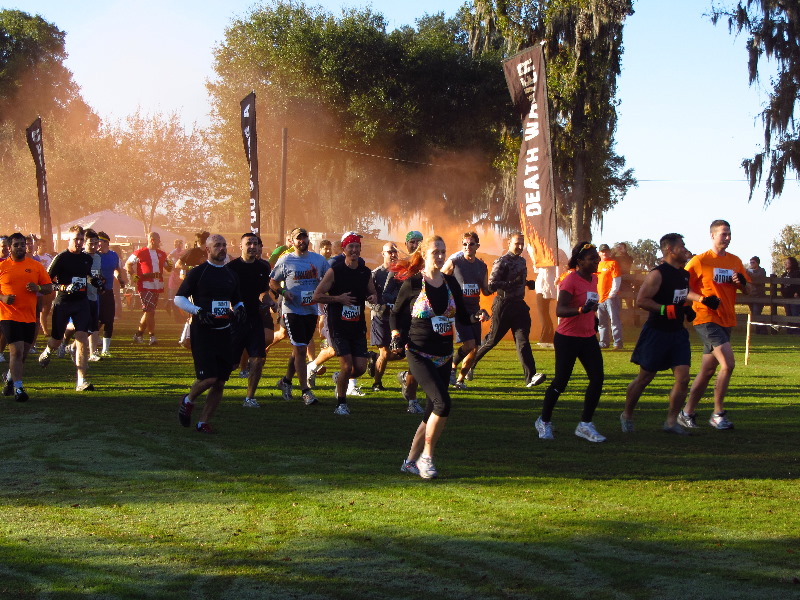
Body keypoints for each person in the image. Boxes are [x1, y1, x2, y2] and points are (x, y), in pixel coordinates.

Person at [391, 235, 488, 479]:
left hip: (444, 356)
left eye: (444, 251)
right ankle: (427, 458)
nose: (442, 256)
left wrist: (477, 316)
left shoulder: (450, 282)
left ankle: (409, 462)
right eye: (436, 252)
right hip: (419, 353)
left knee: (431, 411)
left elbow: (463, 316)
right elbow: (396, 314)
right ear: (424, 254)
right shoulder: (414, 283)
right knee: (443, 404)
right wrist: (396, 335)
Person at [620, 234, 712, 434]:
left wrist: (687, 309)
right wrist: (665, 309)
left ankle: (671, 422)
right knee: (645, 378)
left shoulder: (684, 274)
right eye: (681, 246)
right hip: (657, 332)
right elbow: (642, 300)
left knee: (683, 378)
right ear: (670, 249)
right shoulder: (657, 274)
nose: (685, 249)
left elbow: (680, 297)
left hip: (677, 333)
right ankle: (627, 414)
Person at [679, 219, 751, 430]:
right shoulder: (700, 261)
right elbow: (682, 288)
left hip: (726, 319)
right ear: (712, 235)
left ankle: (686, 413)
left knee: (708, 370)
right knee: (728, 364)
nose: (727, 237)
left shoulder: (735, 261)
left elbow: (749, 290)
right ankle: (718, 414)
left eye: (729, 234)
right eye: (723, 234)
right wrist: (702, 299)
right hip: (706, 318)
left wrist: (742, 283)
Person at [534, 242, 605, 442]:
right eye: (592, 259)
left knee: (597, 379)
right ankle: (544, 421)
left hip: (588, 337)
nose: (596, 261)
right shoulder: (570, 280)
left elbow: (590, 304)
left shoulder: (594, 279)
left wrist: (593, 317)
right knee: (561, 382)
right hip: (568, 338)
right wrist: (581, 310)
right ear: (580, 261)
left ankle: (585, 424)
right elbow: (560, 310)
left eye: (597, 258)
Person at [174, 234, 245, 433]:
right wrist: (198, 311)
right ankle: (188, 400)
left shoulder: (231, 274)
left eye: (224, 245)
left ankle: (203, 422)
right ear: (207, 249)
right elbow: (179, 298)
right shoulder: (198, 272)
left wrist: (240, 309)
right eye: (217, 245)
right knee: (209, 378)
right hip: (203, 332)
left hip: (224, 332)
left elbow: (237, 299)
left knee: (220, 381)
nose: (222, 248)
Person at [469, 232, 546, 387]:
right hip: (503, 305)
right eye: (517, 243)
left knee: (523, 341)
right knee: (492, 340)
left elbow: (519, 280)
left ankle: (530, 377)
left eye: (522, 243)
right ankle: (469, 364)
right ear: (509, 243)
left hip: (519, 305)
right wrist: (512, 283)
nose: (520, 246)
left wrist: (527, 283)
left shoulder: (522, 261)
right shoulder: (502, 261)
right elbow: (492, 285)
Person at [313, 232, 377, 414]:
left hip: (357, 325)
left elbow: (372, 292)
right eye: (351, 246)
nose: (354, 250)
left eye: (357, 246)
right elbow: (317, 296)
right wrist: (338, 298)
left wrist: (372, 297)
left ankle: (339, 378)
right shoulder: (335, 271)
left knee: (360, 368)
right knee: (347, 366)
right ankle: (341, 404)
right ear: (344, 249)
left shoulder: (365, 272)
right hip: (338, 325)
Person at [269, 227, 330, 406]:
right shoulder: (286, 259)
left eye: (304, 238)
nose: (301, 241)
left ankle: (286, 381)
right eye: (298, 238)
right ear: (292, 241)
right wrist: (283, 292)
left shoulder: (318, 260)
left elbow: (329, 277)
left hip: (311, 310)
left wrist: (323, 289)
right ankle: (305, 391)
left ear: (308, 240)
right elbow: (272, 281)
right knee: (301, 350)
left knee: (299, 349)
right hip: (292, 310)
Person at [38, 225, 98, 391]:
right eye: (76, 239)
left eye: (81, 240)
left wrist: (94, 281)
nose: (79, 242)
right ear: (69, 240)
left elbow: (87, 275)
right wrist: (64, 287)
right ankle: (48, 350)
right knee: (56, 340)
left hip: (81, 302)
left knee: (82, 338)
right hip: (63, 302)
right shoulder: (61, 258)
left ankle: (81, 381)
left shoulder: (87, 259)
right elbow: (47, 283)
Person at [0, 233, 53, 401]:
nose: (20, 247)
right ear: (9, 248)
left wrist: (38, 288)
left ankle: (9, 379)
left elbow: (49, 286)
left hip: (29, 316)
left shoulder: (35, 266)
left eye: (22, 244)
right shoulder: (2, 266)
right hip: (8, 315)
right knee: (16, 351)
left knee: (23, 354)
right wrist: (3, 298)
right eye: (16, 245)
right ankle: (19, 389)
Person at [226, 233, 273, 408]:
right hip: (235, 320)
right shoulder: (231, 267)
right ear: (241, 246)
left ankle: (250, 398)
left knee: (258, 359)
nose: (252, 246)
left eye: (255, 243)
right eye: (248, 243)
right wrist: (231, 306)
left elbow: (263, 293)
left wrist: (272, 303)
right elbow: (224, 292)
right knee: (230, 364)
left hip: (254, 318)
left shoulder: (263, 266)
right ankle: (211, 387)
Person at [442, 231, 491, 389]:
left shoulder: (482, 266)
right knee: (469, 344)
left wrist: (500, 284)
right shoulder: (455, 262)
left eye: (471, 244)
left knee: (474, 349)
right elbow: (439, 279)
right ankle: (452, 367)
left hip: (474, 311)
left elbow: (486, 290)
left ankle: (460, 380)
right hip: (459, 311)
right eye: (465, 244)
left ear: (477, 246)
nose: (467, 247)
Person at [125, 231, 172, 345]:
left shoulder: (161, 253)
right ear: (152, 240)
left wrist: (171, 263)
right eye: (158, 240)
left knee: (149, 311)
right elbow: (128, 264)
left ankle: (138, 335)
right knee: (150, 311)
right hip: (145, 285)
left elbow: (169, 268)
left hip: (157, 285)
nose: (160, 242)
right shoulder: (140, 252)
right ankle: (152, 336)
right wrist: (134, 276)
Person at [369, 241, 403, 391]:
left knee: (401, 352)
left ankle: (374, 358)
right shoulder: (376, 274)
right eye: (390, 252)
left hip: (396, 318)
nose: (393, 254)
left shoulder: (402, 272)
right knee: (385, 352)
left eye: (395, 252)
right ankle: (377, 384)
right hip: (380, 318)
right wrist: (377, 307)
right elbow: (367, 296)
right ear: (383, 254)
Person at [96, 232, 127, 357]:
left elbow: (117, 269)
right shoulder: (94, 256)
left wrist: (120, 279)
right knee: (96, 321)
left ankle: (105, 349)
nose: (96, 244)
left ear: (105, 242)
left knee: (109, 320)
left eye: (99, 241)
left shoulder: (113, 255)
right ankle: (75, 344)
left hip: (108, 291)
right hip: (95, 292)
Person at [596, 243, 624, 349]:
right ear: (599, 253)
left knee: (614, 320)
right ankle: (603, 342)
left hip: (611, 298)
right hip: (599, 297)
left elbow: (617, 279)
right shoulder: (597, 265)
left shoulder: (613, 263)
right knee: (601, 322)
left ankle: (617, 343)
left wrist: (612, 294)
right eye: (603, 251)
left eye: (607, 251)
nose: (605, 253)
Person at [746, 256, 768, 334]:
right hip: (751, 296)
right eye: (750, 262)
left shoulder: (761, 271)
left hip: (759, 296)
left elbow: (757, 278)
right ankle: (759, 330)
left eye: (753, 262)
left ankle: (762, 330)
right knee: (754, 314)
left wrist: (747, 273)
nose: (751, 264)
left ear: (757, 263)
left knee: (757, 313)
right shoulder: (748, 271)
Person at [780, 256, 800, 333]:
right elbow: (782, 285)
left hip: (794, 297)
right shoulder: (784, 274)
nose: (786, 264)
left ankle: (796, 330)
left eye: (788, 262)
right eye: (785, 262)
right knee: (788, 313)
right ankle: (790, 330)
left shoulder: (797, 273)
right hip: (786, 297)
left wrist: (797, 292)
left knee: (795, 313)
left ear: (792, 263)